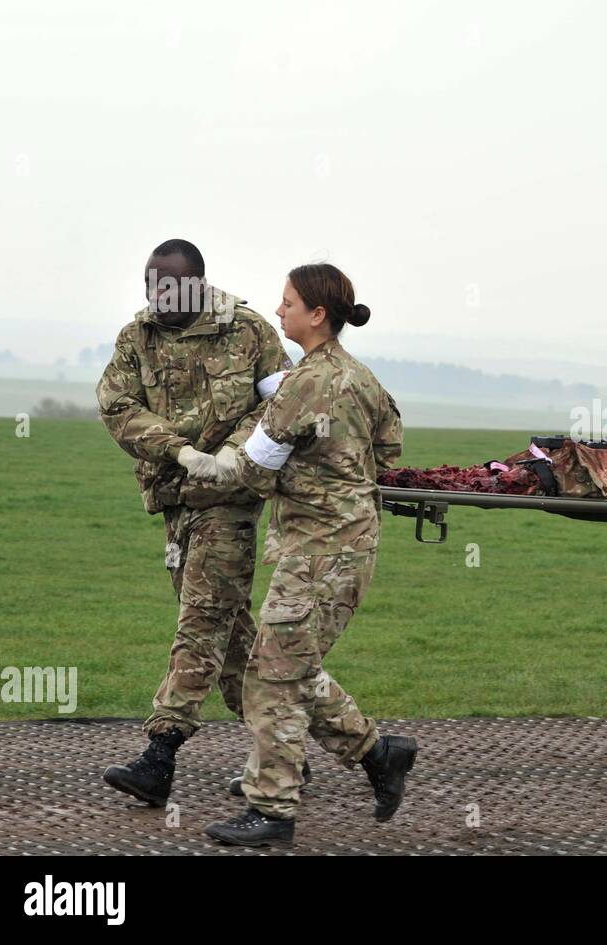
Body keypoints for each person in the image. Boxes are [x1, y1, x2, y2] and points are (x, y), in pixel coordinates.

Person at [200, 263, 414, 847]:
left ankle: (272, 810)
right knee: (289, 667)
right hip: (348, 549)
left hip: (317, 553)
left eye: (288, 302)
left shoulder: (303, 383)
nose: (278, 311)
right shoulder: (360, 377)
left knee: (272, 678)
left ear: (317, 314)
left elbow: (252, 467)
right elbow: (390, 446)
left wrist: (196, 461)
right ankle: (378, 753)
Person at [96, 239, 292, 806]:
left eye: (168, 287)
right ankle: (319, 753)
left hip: (229, 503)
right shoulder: (138, 338)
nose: (156, 298)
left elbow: (279, 404)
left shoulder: (250, 331)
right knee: (233, 641)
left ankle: (159, 755)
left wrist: (233, 452)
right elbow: (116, 406)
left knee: (200, 624)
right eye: (149, 286)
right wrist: (178, 451)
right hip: (174, 499)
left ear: (199, 284)